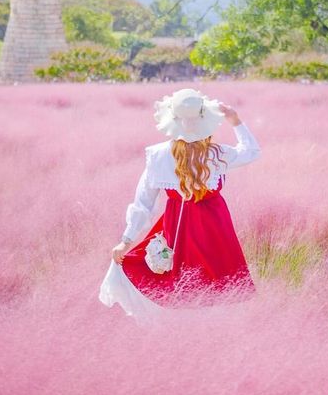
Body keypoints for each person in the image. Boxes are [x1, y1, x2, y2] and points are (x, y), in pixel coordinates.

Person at [98, 87, 261, 322]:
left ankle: (181, 334)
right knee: (216, 285)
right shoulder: (217, 154)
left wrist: (126, 241)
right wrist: (235, 121)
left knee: (177, 281)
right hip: (216, 226)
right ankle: (213, 334)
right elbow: (252, 152)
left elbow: (144, 201)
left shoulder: (159, 156)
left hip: (177, 225)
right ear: (206, 122)